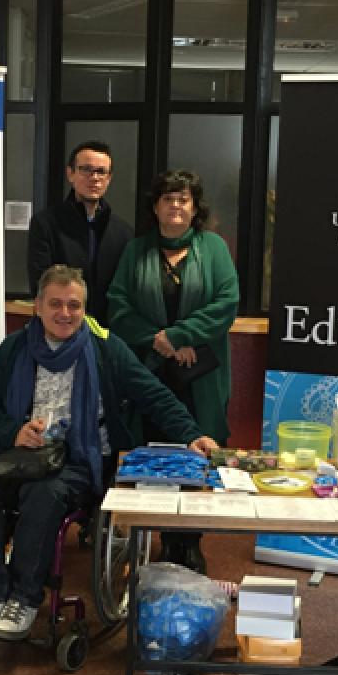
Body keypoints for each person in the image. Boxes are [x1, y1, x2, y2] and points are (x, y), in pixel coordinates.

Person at [0, 265, 219, 642]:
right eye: (55, 304)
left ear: (84, 309)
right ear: (37, 308)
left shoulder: (106, 349)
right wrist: (13, 431)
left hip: (79, 455)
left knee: (43, 493)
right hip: (18, 451)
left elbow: (153, 394)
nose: (65, 313)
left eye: (74, 305)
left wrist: (192, 434)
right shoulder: (13, 349)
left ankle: (25, 598)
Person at [107, 170, 240, 574]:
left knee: (198, 450)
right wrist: (160, 341)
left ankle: (191, 542)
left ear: (195, 207)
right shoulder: (136, 251)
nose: (176, 206)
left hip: (201, 374)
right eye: (168, 198)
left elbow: (226, 302)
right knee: (155, 453)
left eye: (183, 199)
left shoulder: (213, 248)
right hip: (150, 372)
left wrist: (182, 336)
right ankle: (164, 539)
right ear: (155, 206)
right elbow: (118, 306)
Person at [26, 140, 133, 323]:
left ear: (109, 178)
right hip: (59, 326)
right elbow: (41, 284)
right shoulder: (46, 224)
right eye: (86, 169)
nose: (94, 177)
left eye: (101, 171)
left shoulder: (124, 232)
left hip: (107, 332)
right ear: (70, 174)